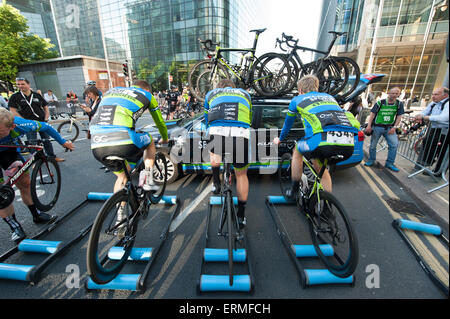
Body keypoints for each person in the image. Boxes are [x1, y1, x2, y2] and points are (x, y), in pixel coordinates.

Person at [273, 75, 360, 197]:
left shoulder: (297, 100)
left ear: (300, 90)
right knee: (321, 170)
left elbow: (287, 124)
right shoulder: (330, 97)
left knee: (297, 150)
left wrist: (280, 139)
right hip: (348, 143)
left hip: (321, 142)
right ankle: (326, 206)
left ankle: (293, 191)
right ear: (316, 88)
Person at [0, 108, 74, 243]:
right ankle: (15, 226)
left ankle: (36, 214)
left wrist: (62, 141)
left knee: (25, 183)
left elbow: (46, 127)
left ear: (12, 127)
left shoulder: (21, 124)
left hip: (8, 151)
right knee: (1, 195)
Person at [89, 79, 169, 198]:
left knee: (122, 177)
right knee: (150, 140)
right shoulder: (147, 95)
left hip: (97, 144)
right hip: (123, 139)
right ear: (147, 89)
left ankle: (121, 213)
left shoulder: (111, 91)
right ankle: (148, 180)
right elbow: (160, 123)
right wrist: (165, 138)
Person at [204, 79, 253, 229]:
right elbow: (249, 117)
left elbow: (207, 118)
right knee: (241, 175)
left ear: (219, 87)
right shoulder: (245, 94)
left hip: (217, 131)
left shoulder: (211, 94)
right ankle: (241, 215)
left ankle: (215, 181)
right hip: (240, 133)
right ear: (233, 88)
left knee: (214, 151)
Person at [8, 78, 65, 162]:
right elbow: (12, 110)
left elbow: (45, 107)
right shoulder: (15, 97)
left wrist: (46, 118)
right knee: (32, 143)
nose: (20, 86)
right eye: (18, 84)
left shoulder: (36, 95)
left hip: (41, 121)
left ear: (28, 84)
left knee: (46, 140)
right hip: (28, 124)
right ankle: (35, 160)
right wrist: (23, 121)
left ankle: (52, 157)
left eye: (22, 84)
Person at [364, 86, 405, 172]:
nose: (394, 95)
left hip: (389, 128)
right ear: (388, 93)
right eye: (392, 93)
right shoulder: (380, 103)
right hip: (377, 127)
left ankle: (389, 163)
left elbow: (399, 116)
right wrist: (369, 126)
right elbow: (372, 115)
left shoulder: (399, 104)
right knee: (373, 145)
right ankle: (371, 160)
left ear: (398, 94)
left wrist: (394, 127)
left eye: (396, 93)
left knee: (394, 145)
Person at [414, 87, 449, 175]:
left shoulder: (447, 104)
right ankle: (429, 162)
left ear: (445, 95)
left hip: (446, 131)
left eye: (436, 94)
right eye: (433, 94)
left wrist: (426, 118)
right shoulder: (434, 103)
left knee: (443, 152)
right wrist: (420, 115)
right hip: (435, 129)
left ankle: (438, 172)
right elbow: (425, 112)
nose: (433, 96)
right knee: (427, 141)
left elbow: (444, 118)